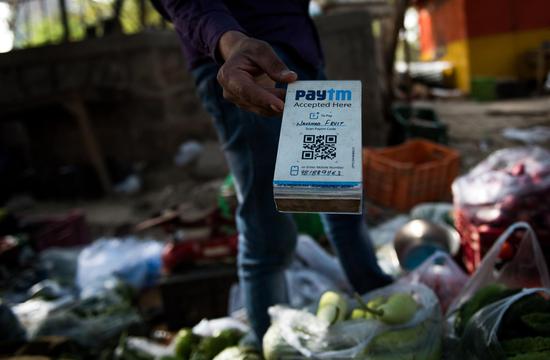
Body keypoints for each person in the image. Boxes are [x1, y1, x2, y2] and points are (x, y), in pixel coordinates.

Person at [151, 0, 392, 347]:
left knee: (338, 196)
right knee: (268, 226)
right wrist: (230, 42)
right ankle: (270, 340)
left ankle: (376, 297)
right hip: (243, 68)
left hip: (300, 55)